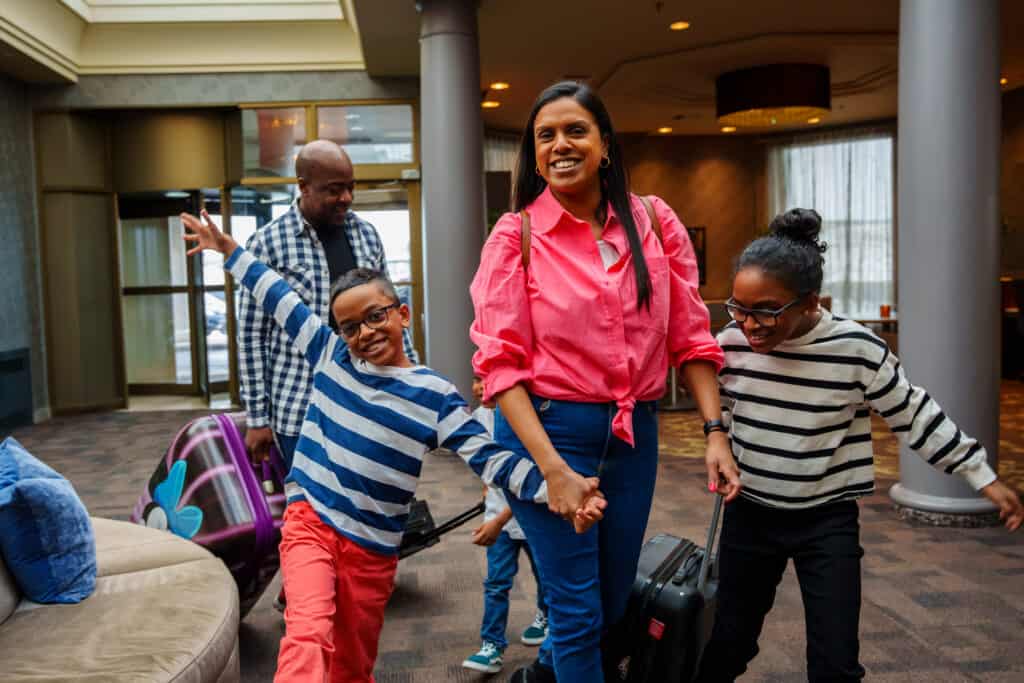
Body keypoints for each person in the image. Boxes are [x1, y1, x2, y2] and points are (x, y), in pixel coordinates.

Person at [182, 210, 606, 682]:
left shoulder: (433, 394)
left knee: (351, 664)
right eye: (350, 326)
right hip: (311, 521)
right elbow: (278, 296)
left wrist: (553, 487)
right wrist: (229, 251)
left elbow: (489, 459)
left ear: (402, 313)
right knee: (307, 632)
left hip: (373, 549)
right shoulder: (329, 354)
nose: (364, 333)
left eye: (375, 316)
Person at [469, 80, 740, 683]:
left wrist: (714, 431)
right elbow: (500, 368)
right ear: (534, 154)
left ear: (605, 145)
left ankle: (544, 677)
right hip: (545, 432)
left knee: (613, 602)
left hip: (631, 436)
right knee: (575, 608)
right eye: (546, 135)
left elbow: (691, 336)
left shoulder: (652, 220)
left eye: (575, 130)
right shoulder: (516, 237)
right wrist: (551, 469)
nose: (560, 144)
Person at [696, 208, 1024, 682]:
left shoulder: (856, 348)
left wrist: (980, 476)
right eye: (739, 308)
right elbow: (716, 406)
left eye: (766, 310)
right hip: (751, 514)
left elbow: (913, 413)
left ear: (810, 302)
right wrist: (718, 436)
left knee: (835, 661)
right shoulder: (731, 343)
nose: (750, 324)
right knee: (729, 641)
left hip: (826, 521)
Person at [239, 140, 417, 472]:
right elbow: (252, 337)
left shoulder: (366, 235)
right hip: (302, 410)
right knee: (315, 512)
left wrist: (412, 383)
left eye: (350, 188)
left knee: (372, 503)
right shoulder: (266, 243)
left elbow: (390, 314)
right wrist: (257, 417)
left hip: (368, 401)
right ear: (303, 187)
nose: (346, 198)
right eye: (334, 190)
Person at [463, 376, 549, 675]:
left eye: (484, 381)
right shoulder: (479, 418)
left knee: (546, 577)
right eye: (475, 380)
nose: (477, 388)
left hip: (529, 518)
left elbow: (530, 481)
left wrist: (497, 522)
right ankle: (492, 645)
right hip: (498, 517)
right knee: (497, 582)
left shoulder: (522, 421)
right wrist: (487, 488)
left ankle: (545, 616)